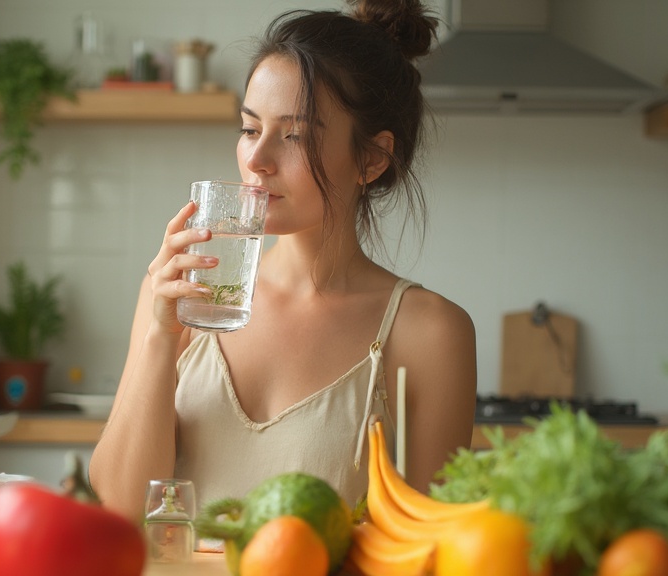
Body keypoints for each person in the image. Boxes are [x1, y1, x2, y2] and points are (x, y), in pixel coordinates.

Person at [90, 0, 476, 520]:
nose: (256, 158)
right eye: (250, 129)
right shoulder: (183, 295)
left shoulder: (430, 332)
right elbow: (121, 506)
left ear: (372, 159)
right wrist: (159, 335)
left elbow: (431, 544)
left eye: (293, 135)